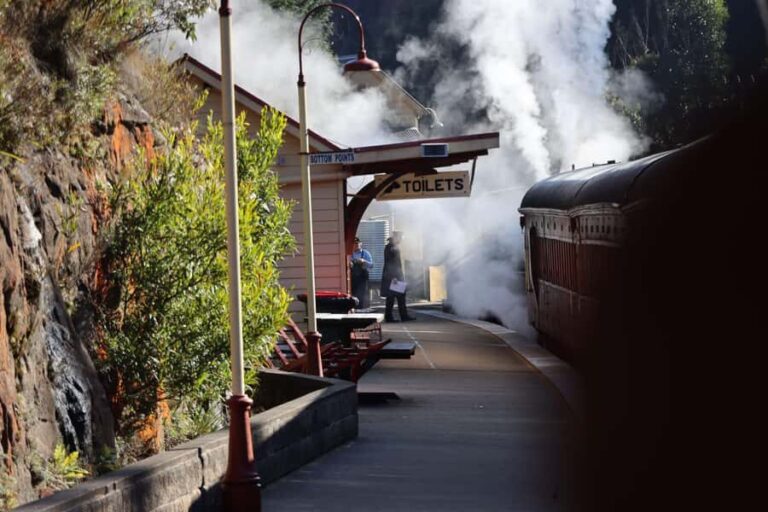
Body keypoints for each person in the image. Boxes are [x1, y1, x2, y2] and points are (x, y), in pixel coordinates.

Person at [380, 231, 414, 322]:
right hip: (393, 276)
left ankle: (400, 316)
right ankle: (393, 317)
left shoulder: (392, 247)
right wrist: (393, 277)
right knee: (393, 297)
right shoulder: (391, 248)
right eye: (401, 238)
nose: (401, 240)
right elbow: (390, 263)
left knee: (398, 296)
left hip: (395, 276)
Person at [349, 237, 373, 310]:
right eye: (354, 243)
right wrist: (350, 264)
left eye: (358, 243)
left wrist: (364, 261)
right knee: (353, 295)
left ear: (361, 244)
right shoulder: (350, 254)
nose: (356, 245)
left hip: (363, 278)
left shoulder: (366, 253)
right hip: (353, 278)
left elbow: (371, 265)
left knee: (362, 295)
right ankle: (354, 309)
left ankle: (363, 309)